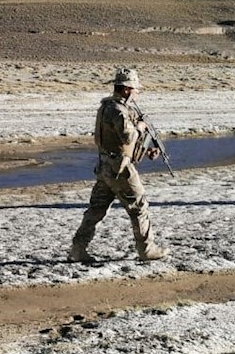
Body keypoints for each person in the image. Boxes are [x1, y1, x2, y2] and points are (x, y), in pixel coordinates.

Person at [68, 67, 169, 263]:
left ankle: (77, 250)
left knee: (96, 210)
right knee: (139, 207)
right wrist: (140, 128)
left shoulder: (108, 106)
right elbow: (127, 135)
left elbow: (118, 140)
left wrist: (146, 149)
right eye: (135, 89)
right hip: (120, 169)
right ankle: (146, 250)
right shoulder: (117, 110)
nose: (137, 93)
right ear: (126, 89)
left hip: (106, 167)